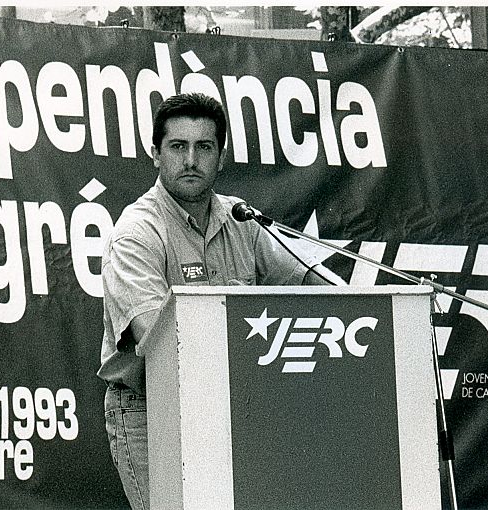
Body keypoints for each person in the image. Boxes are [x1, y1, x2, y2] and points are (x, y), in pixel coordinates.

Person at [97, 92, 338, 510]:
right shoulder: (137, 232)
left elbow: (311, 282)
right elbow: (162, 342)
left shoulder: (242, 219)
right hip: (151, 411)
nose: (191, 159)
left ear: (220, 157)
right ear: (156, 153)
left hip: (232, 406)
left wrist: (360, 307)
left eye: (204, 147)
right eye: (177, 146)